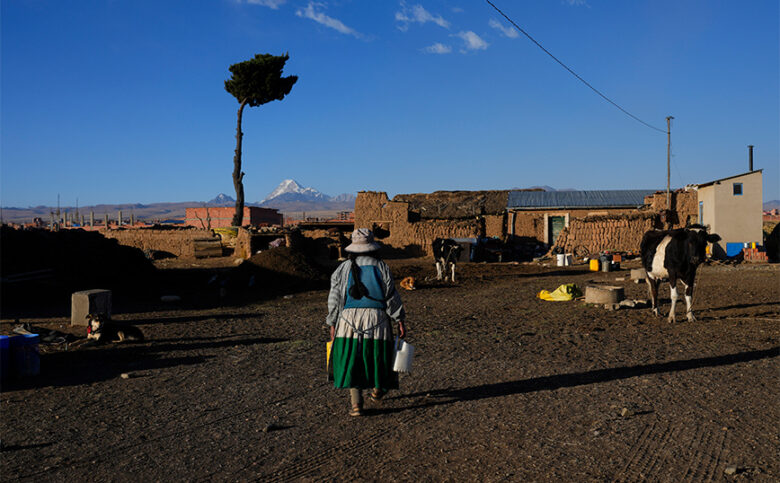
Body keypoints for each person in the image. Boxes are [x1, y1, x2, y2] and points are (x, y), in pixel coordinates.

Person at [326, 228, 407, 416]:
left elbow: (335, 298)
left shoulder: (342, 269)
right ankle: (378, 389)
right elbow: (391, 297)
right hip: (376, 319)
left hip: (347, 321)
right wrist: (399, 319)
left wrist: (333, 323)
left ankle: (356, 405)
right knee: (377, 355)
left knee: (352, 358)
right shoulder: (382, 267)